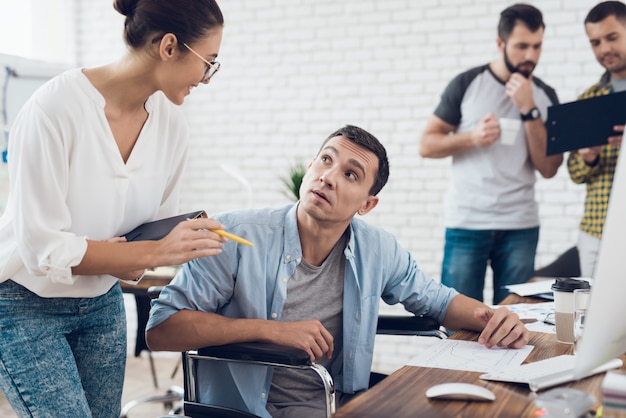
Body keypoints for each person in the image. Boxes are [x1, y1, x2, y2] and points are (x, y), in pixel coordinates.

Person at [146, 125, 529, 418]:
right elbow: (161, 329)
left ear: (367, 203)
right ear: (311, 166)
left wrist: (493, 317)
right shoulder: (237, 236)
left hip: (336, 401)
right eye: (326, 160)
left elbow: (436, 299)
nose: (328, 176)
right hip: (245, 409)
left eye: (351, 174)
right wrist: (270, 330)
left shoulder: (377, 248)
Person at [0, 1, 227, 416]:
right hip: (24, 303)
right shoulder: (52, 110)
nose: (208, 78)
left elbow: (148, 232)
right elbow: (41, 250)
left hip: (103, 303)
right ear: (170, 47)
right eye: (208, 63)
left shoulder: (172, 126)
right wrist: (155, 254)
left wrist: (149, 253)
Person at [419, 3, 563, 304]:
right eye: (522, 46)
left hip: (520, 226)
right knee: (456, 320)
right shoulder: (467, 83)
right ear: (500, 44)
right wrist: (472, 137)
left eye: (537, 47)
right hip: (467, 223)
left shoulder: (545, 95)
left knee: (517, 321)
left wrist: (529, 109)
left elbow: (549, 168)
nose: (530, 56)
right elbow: (427, 144)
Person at [568, 1, 626, 278]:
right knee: (592, 317)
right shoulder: (588, 99)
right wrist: (587, 157)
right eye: (595, 42)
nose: (604, 50)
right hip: (596, 230)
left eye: (612, 37)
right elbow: (574, 173)